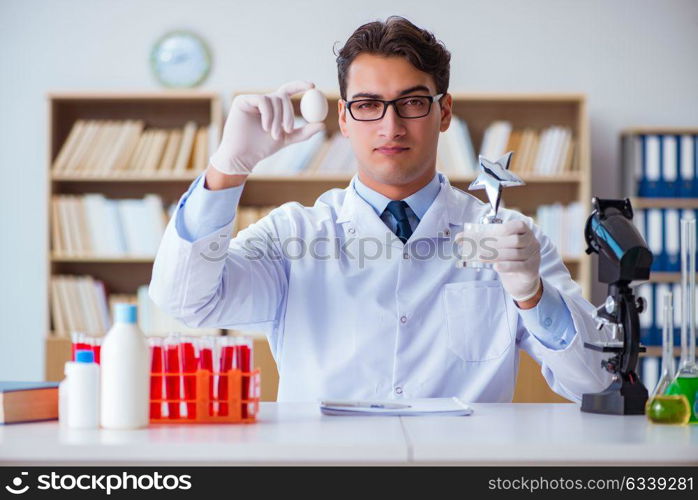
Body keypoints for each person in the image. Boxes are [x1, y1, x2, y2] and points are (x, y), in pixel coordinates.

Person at [150, 16, 613, 402]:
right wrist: (226, 170)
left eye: (412, 102)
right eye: (369, 104)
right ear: (344, 119)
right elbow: (186, 302)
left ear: (444, 112)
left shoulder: (511, 239)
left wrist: (532, 295)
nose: (390, 126)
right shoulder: (292, 234)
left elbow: (599, 381)